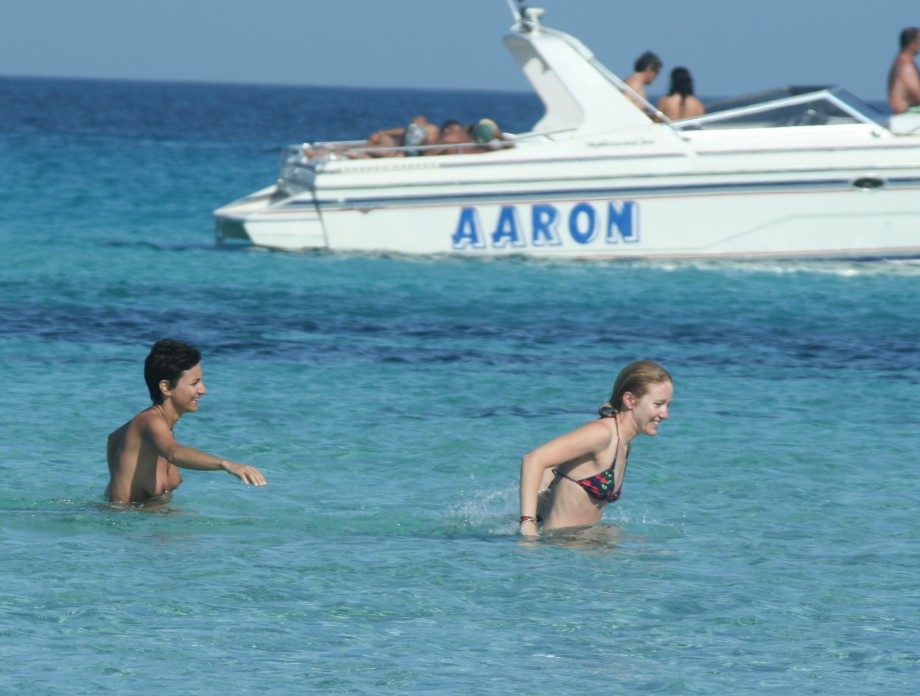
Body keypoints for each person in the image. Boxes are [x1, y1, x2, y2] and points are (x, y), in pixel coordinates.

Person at [518, 361, 673, 536]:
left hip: (582, 551)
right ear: (630, 400)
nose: (665, 414)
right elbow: (534, 460)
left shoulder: (623, 444)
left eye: (668, 405)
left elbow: (556, 467)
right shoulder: (602, 434)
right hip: (558, 551)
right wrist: (529, 526)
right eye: (658, 404)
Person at [105, 339, 267, 506]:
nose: (203, 390)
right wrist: (226, 465)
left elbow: (112, 439)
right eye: (194, 383)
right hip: (132, 527)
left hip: (149, 525)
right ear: (166, 387)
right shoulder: (150, 422)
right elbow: (174, 453)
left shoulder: (148, 424)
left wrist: (119, 479)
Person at [888, 27, 920, 114]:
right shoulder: (905, 65)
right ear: (912, 44)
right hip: (906, 113)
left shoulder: (901, 61)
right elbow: (918, 95)